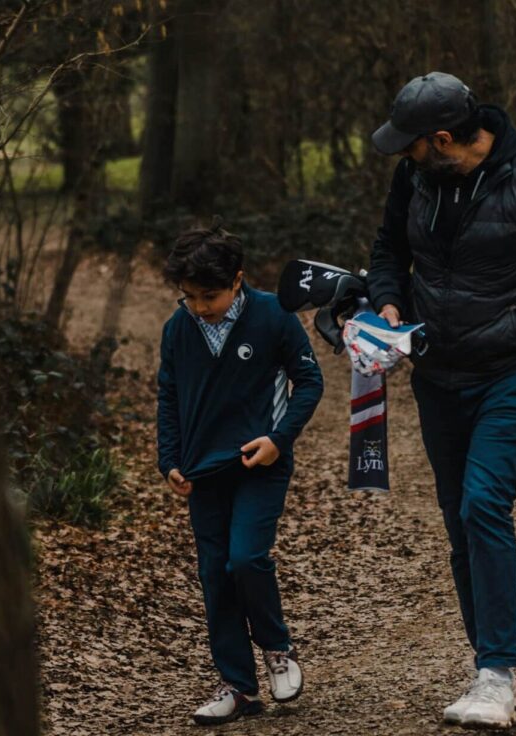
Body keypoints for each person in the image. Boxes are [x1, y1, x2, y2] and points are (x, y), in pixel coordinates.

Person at [367, 72, 516, 729]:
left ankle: (498, 673)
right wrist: (387, 305)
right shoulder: (415, 177)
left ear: (441, 139)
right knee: (458, 522)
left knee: (483, 502)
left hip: (513, 372)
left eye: (410, 147)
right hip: (437, 378)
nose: (405, 159)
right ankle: (484, 666)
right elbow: (388, 251)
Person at [156, 224, 324, 725]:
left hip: (260, 464)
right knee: (215, 576)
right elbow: (169, 397)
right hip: (202, 473)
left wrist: (279, 439)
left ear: (238, 281)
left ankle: (276, 647)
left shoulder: (274, 315)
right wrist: (169, 460)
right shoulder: (177, 329)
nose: (201, 306)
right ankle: (238, 687)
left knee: (245, 559)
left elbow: (309, 381)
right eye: (190, 297)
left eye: (211, 295)